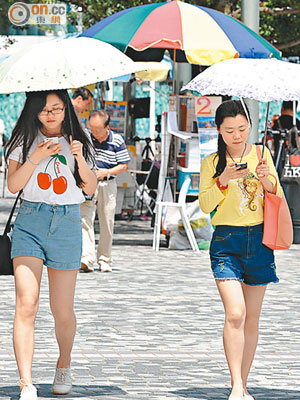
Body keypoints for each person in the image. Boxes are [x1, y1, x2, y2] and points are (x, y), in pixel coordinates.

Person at [5, 90, 97, 400]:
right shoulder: (23, 140)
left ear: (66, 110)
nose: (50, 115)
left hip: (67, 223)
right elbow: (13, 185)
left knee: (62, 310)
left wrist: (80, 157)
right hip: (31, 221)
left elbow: (90, 187)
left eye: (57, 109)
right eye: (44, 110)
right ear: (34, 111)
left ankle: (64, 364)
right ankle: (26, 382)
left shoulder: (77, 141)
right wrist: (36, 157)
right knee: (26, 304)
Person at [199, 100, 281, 400]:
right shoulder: (211, 162)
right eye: (230, 130)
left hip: (259, 241)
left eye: (243, 129)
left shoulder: (262, 154)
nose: (237, 135)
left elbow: (277, 194)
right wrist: (223, 181)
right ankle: (235, 385)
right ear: (218, 130)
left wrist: (266, 179)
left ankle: (243, 384)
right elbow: (205, 205)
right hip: (226, 242)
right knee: (235, 312)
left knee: (252, 318)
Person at [80, 110, 130, 273]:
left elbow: (124, 165)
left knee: (107, 221)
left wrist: (106, 172)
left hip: (107, 184)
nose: (94, 133)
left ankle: (104, 259)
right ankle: (86, 258)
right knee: (85, 220)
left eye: (97, 129)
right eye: (91, 129)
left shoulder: (116, 140)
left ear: (107, 127)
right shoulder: (86, 137)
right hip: (88, 183)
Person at [271, 101, 300, 174]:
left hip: (278, 158)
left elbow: (270, 140)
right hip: (294, 160)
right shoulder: (297, 123)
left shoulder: (277, 122)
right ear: (295, 109)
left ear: (282, 108)